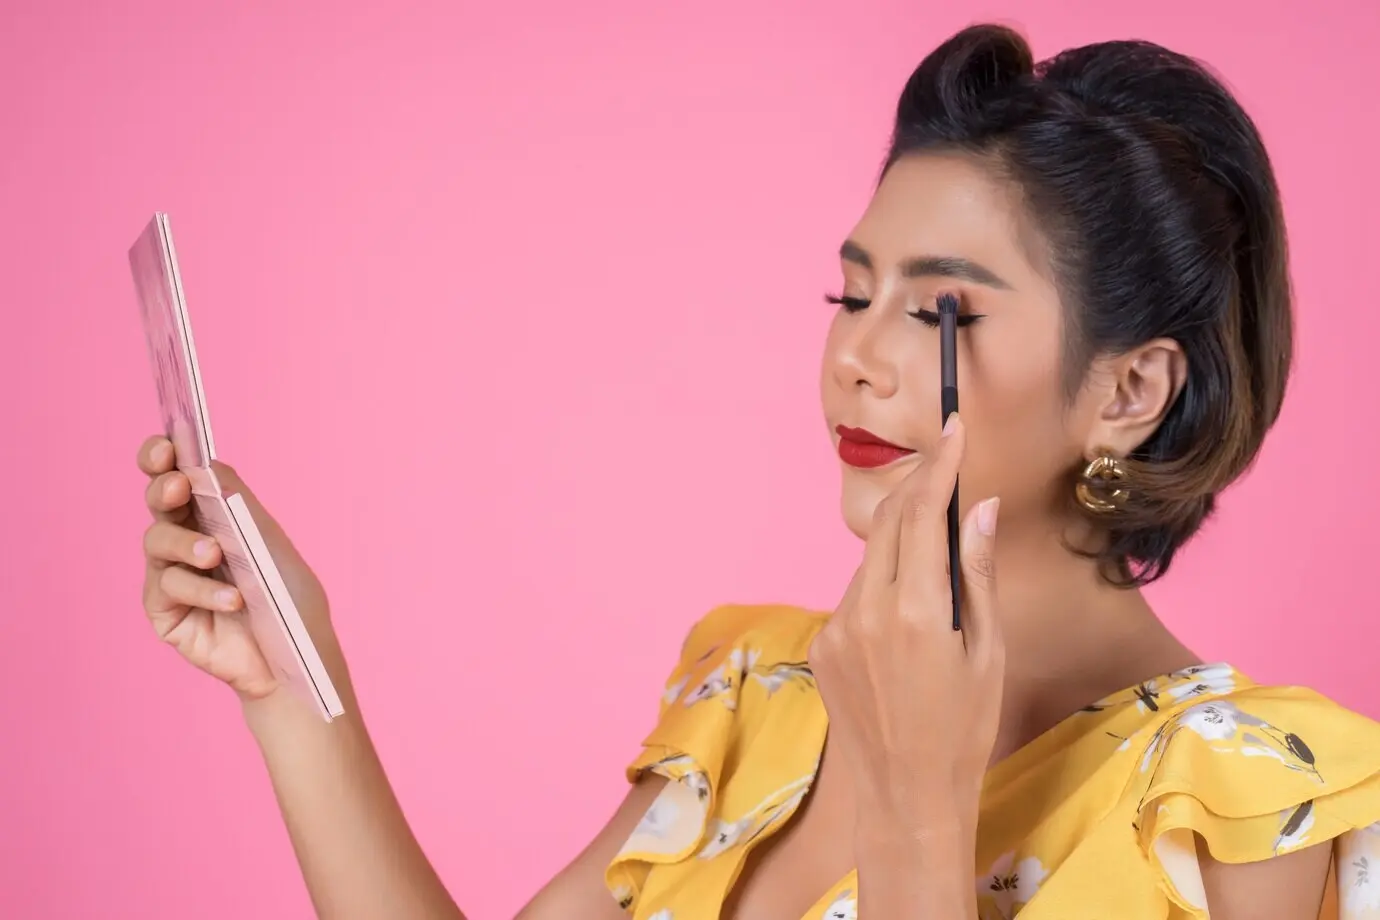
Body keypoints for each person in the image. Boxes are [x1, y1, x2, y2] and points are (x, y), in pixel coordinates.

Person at [134, 23, 1380, 920]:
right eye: (850, 295)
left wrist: (920, 806)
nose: (855, 358)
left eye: (937, 312)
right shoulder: (753, 695)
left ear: (1128, 391)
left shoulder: (1247, 807)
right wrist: (293, 683)